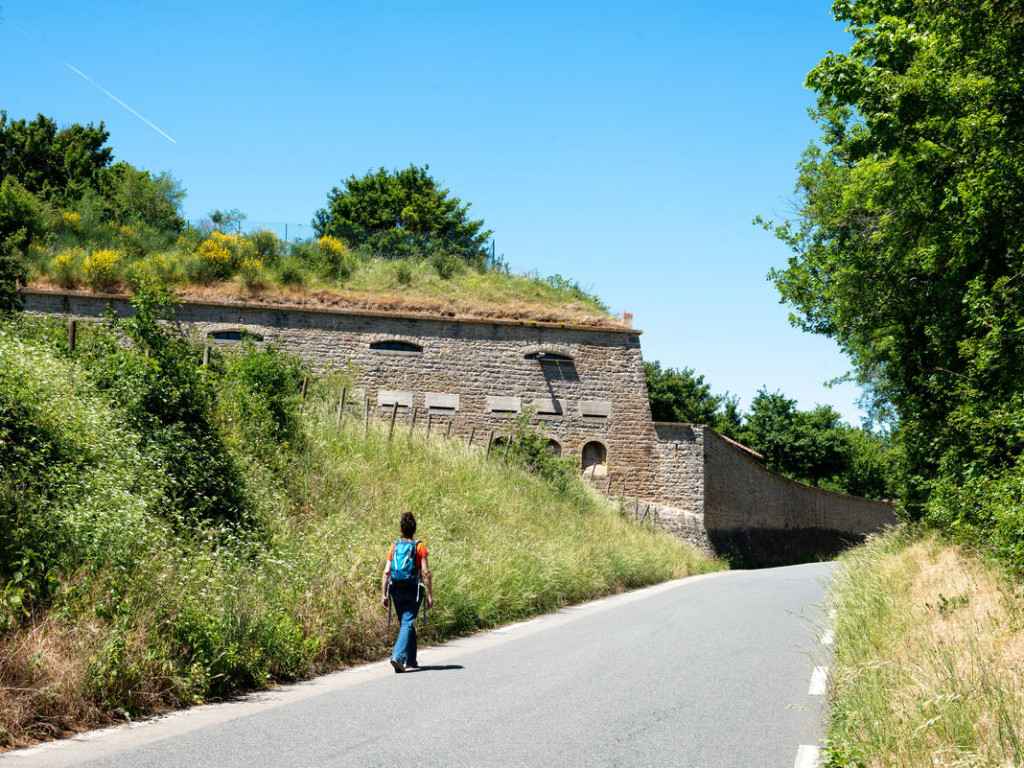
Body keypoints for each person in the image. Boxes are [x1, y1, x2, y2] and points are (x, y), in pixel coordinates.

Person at [381, 511, 433, 672]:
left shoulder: (394, 546)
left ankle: (411, 660)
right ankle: (398, 656)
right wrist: (430, 594)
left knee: (406, 622)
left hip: (395, 587)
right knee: (407, 622)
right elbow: (426, 572)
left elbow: (386, 571)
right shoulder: (419, 546)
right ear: (414, 529)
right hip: (413, 588)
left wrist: (383, 594)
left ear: (401, 529)